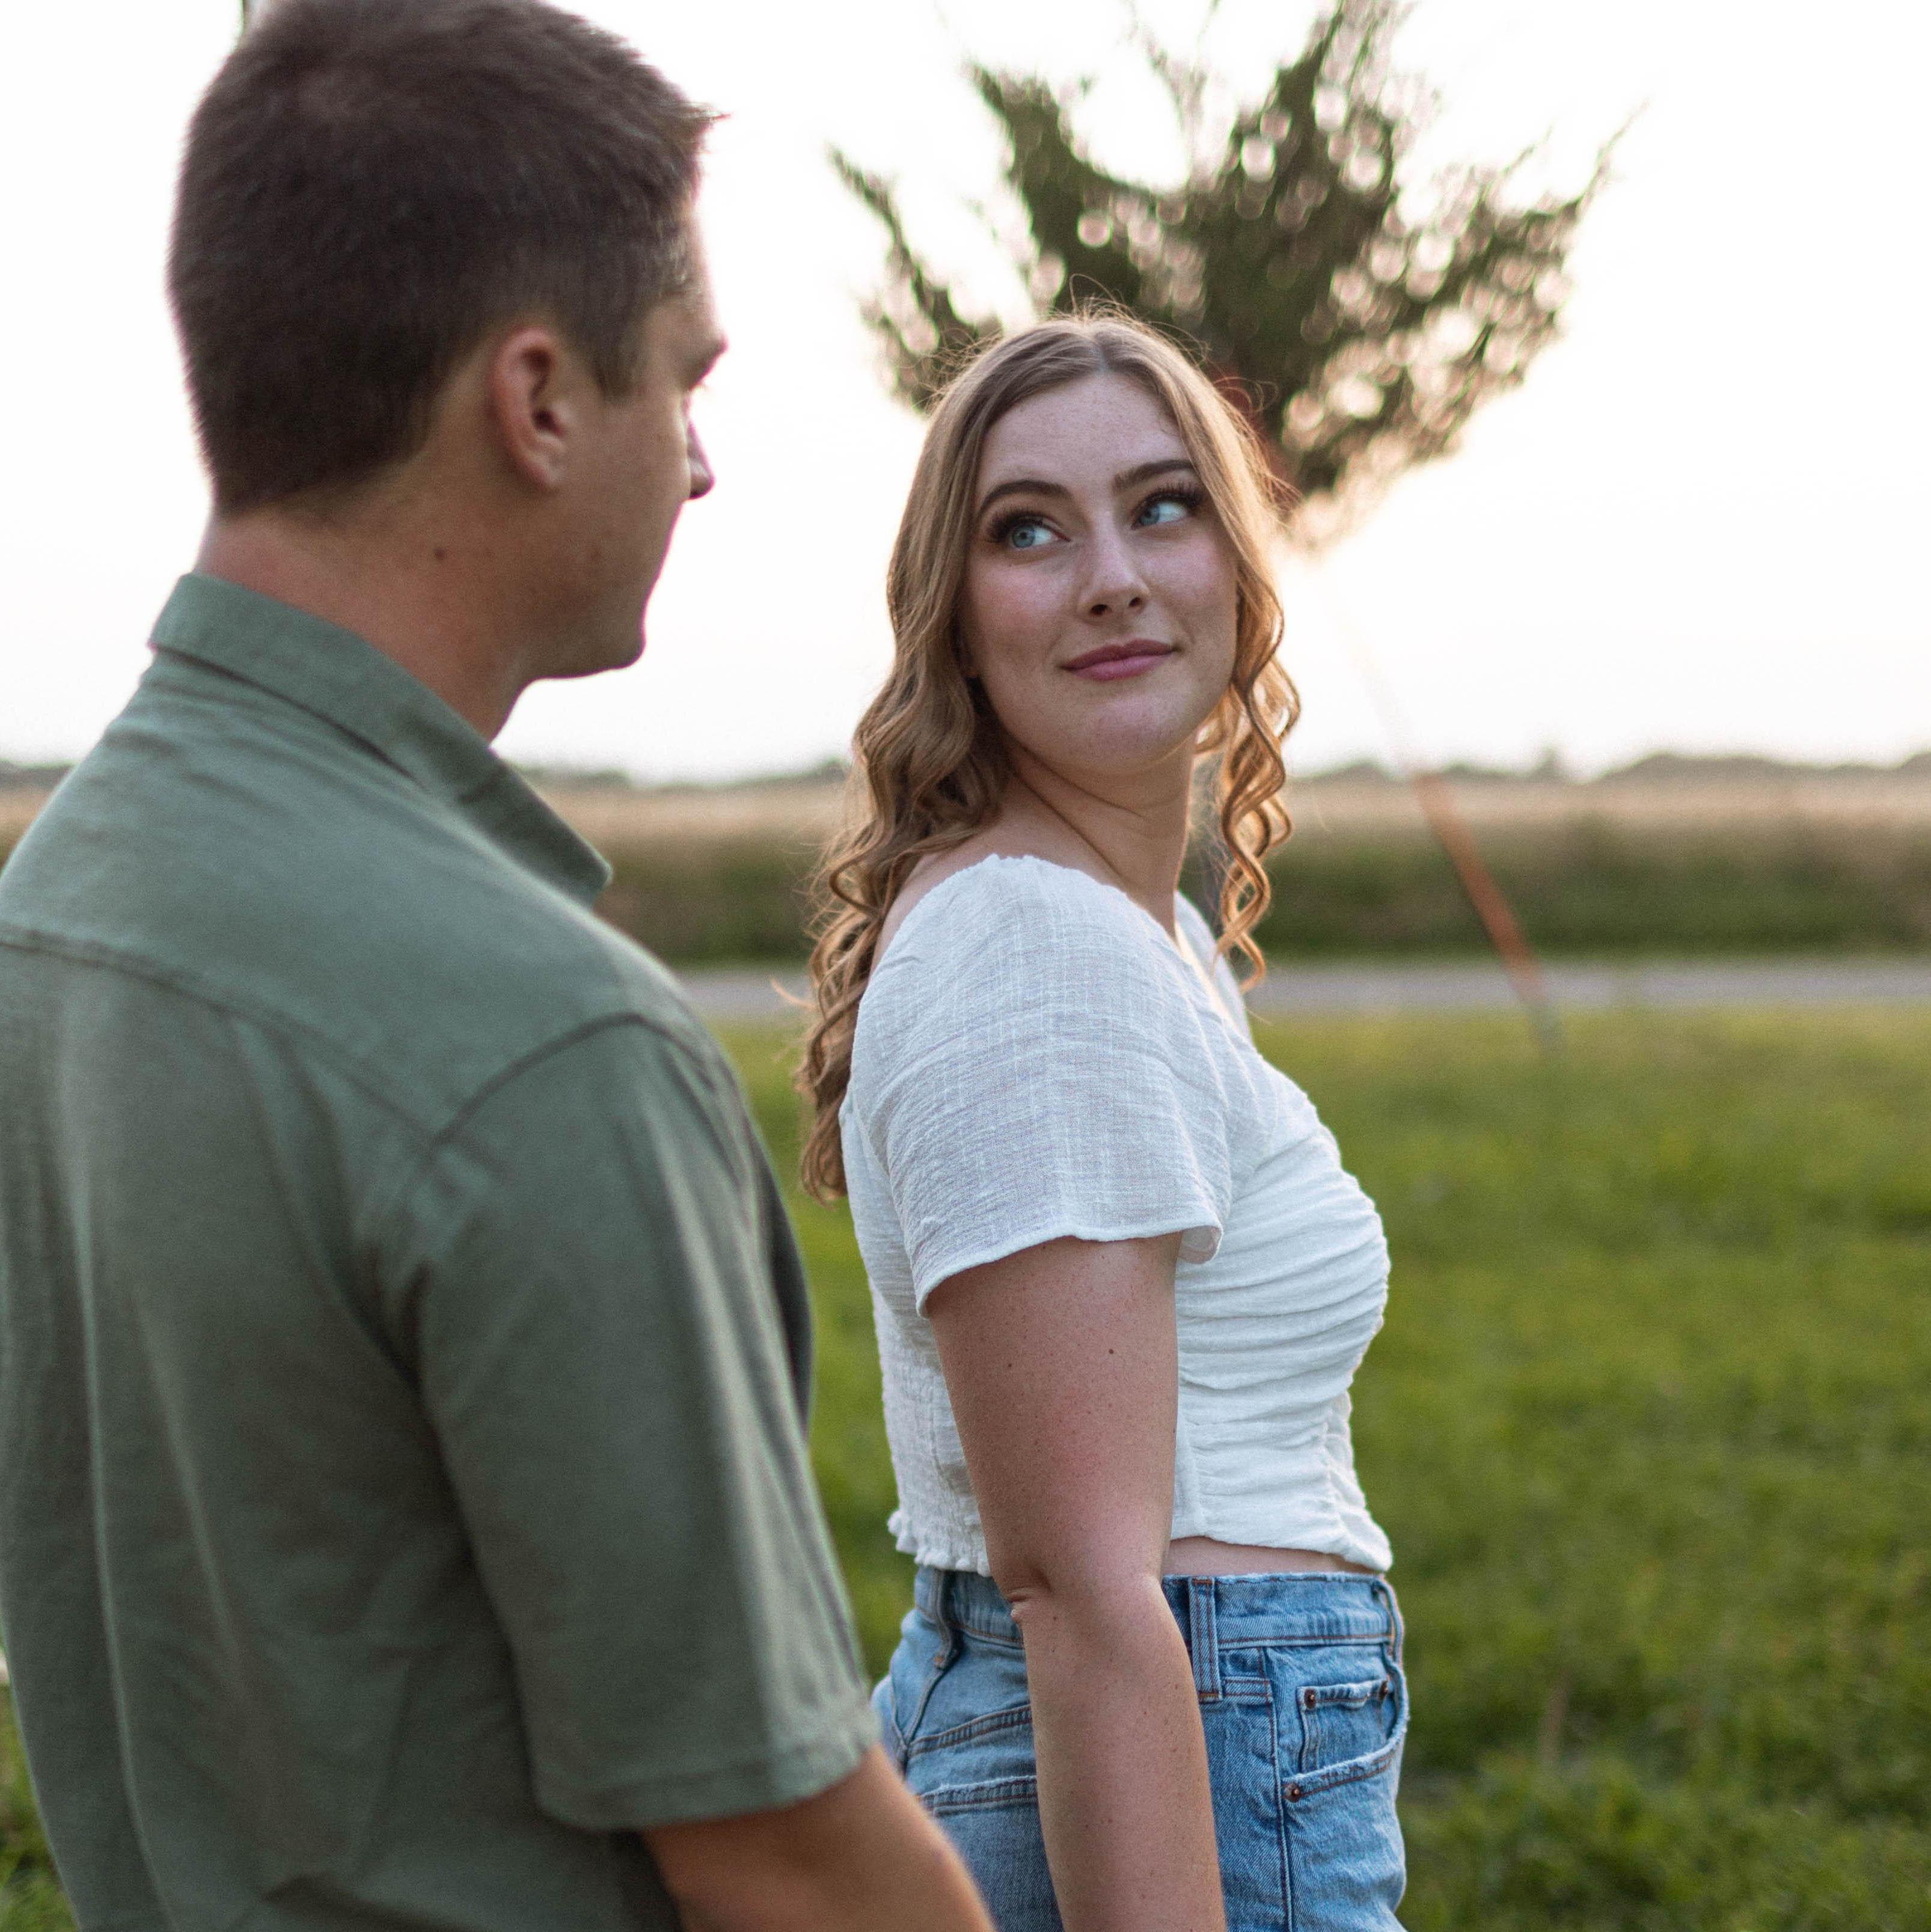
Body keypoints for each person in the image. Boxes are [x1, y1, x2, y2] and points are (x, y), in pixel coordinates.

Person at [0, 4, 995, 1930]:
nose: (699, 464)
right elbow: (786, 1859)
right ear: (537, 402)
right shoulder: (543, 1045)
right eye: (682, 380)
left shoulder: (65, 899)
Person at [797, 313, 1407, 1932]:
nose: (1114, 579)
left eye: (1162, 506)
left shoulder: (1135, 928)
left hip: (1209, 1737)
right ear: (952, 615)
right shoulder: (1032, 948)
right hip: (1173, 1754)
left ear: (1238, 560)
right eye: (1029, 532)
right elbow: (1075, 1595)